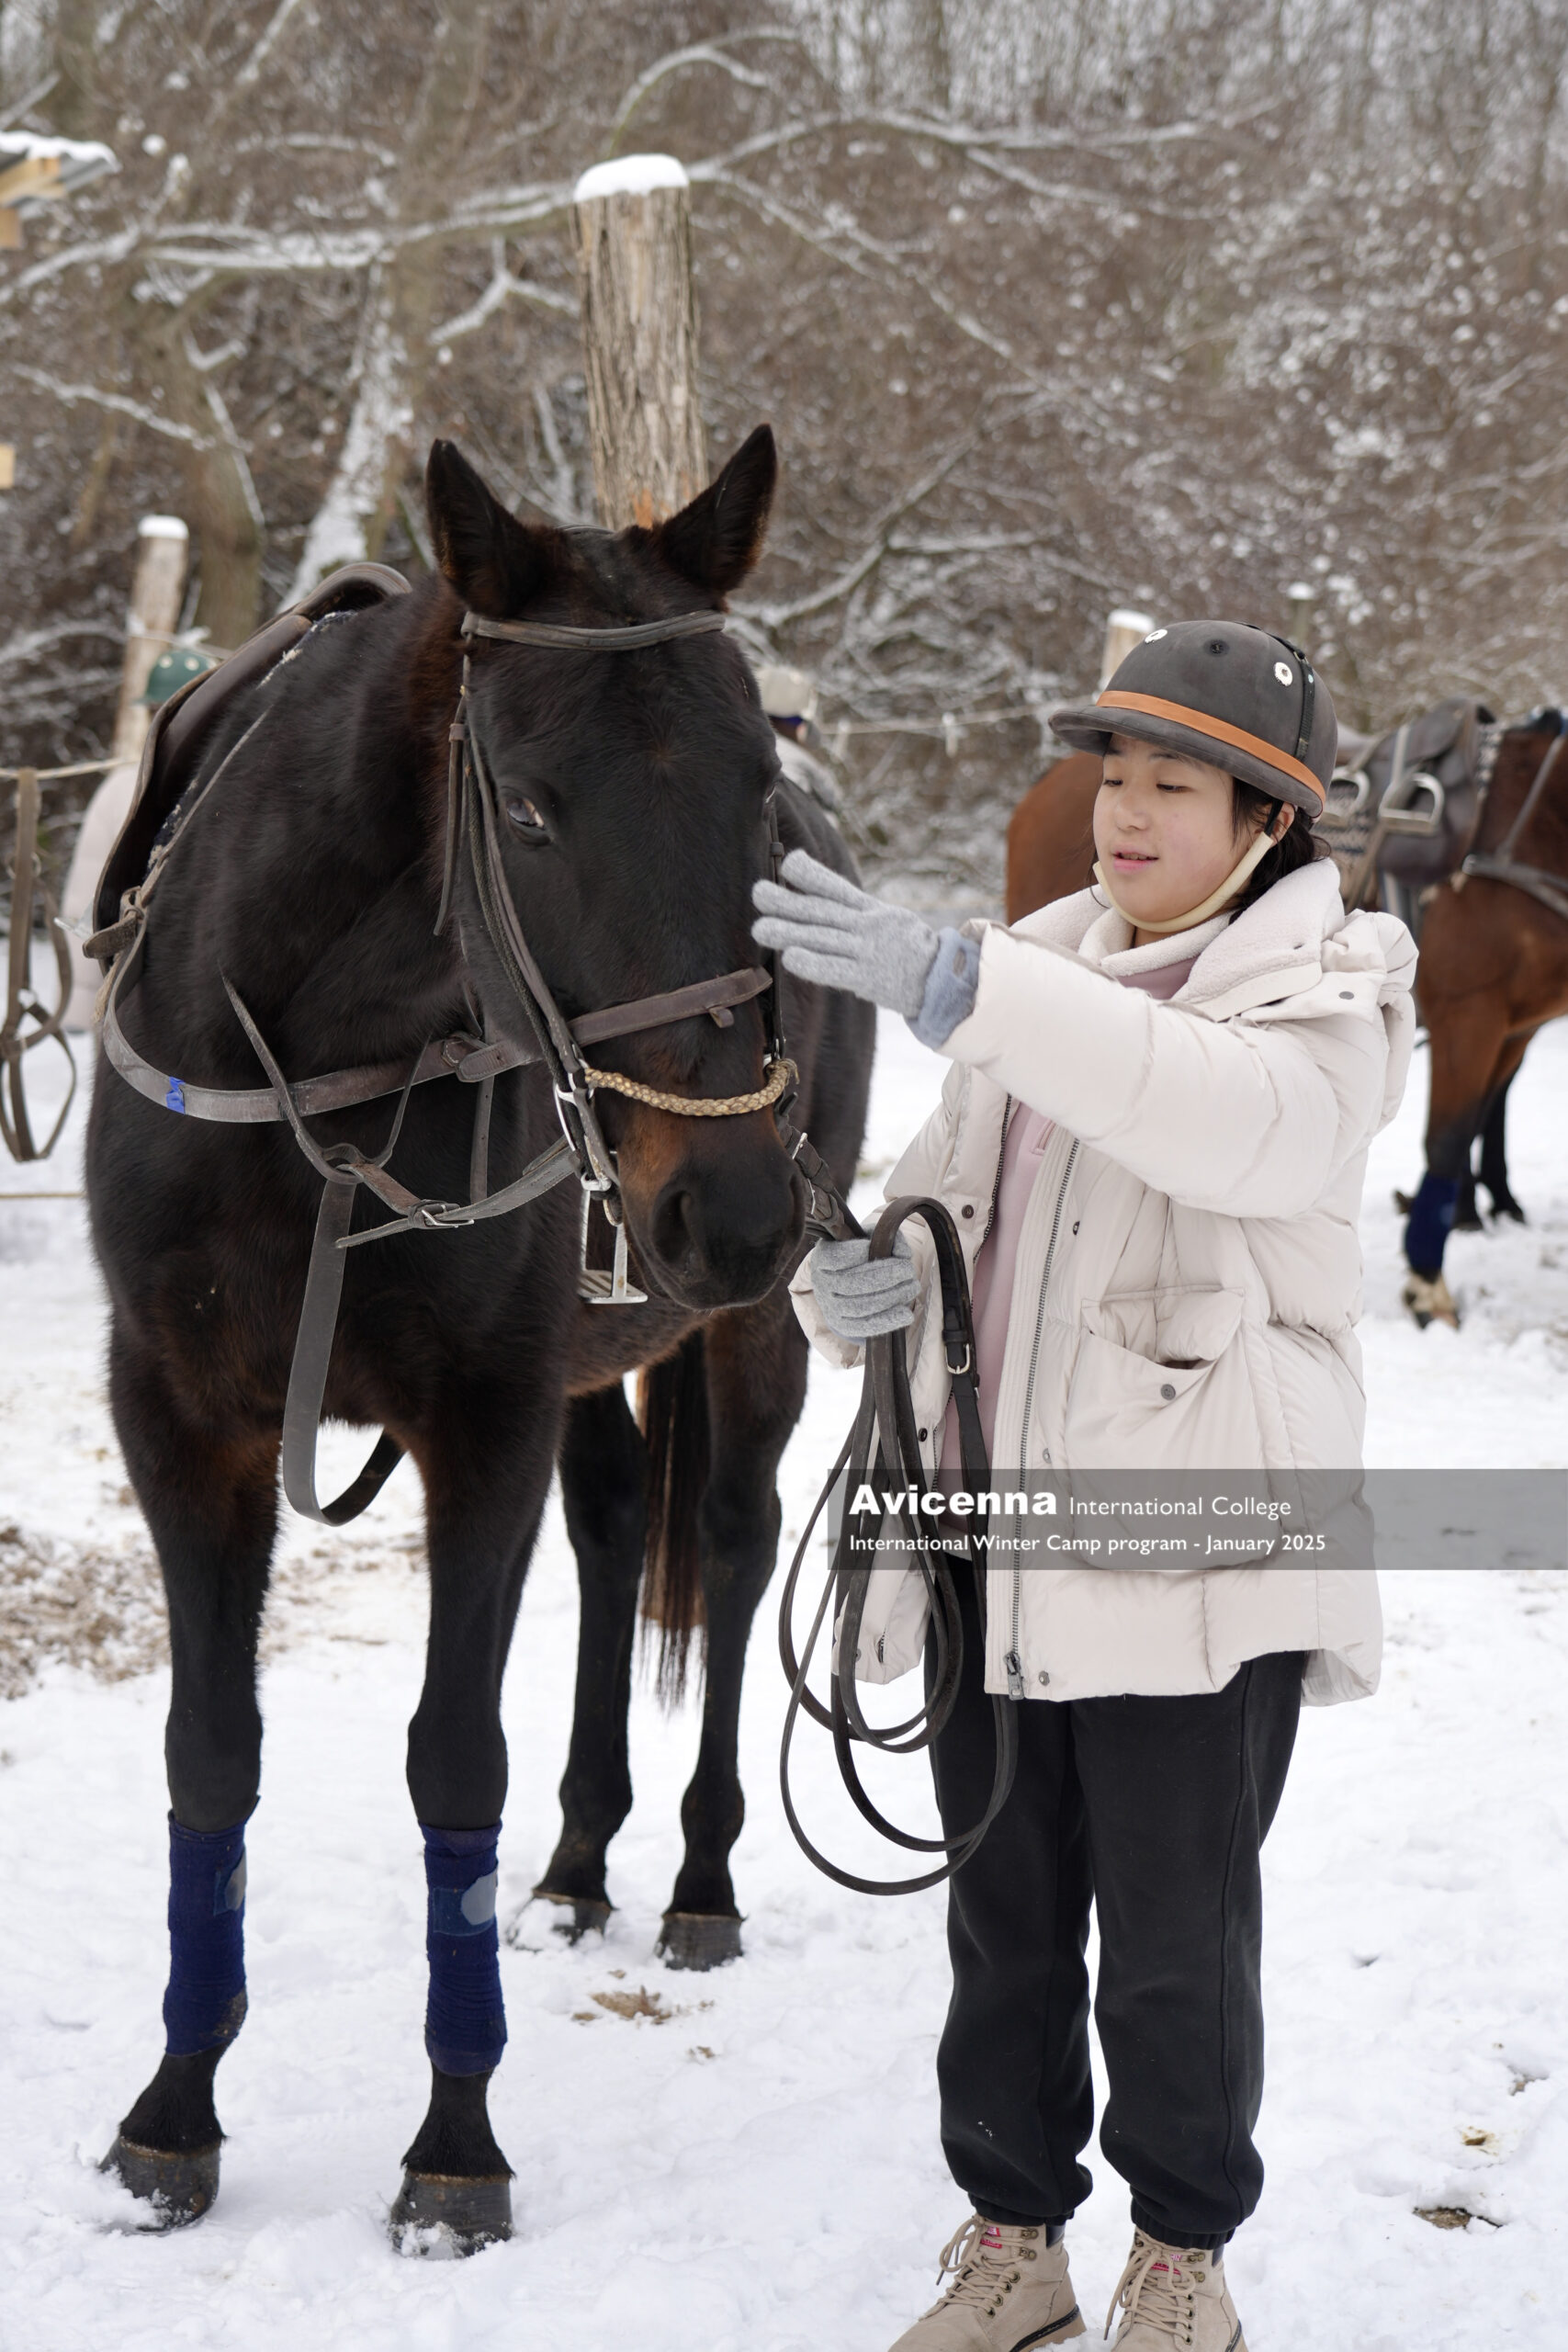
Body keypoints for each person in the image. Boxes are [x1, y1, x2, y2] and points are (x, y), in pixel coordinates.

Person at [752, 620, 1416, 2352]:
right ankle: (1014, 2237)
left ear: (1267, 822)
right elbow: (945, 1205)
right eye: (1115, 774)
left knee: (1179, 1945)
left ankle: (1183, 2262)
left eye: (1172, 786)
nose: (1122, 811)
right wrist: (860, 1288)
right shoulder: (1041, 972)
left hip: (1195, 1549)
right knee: (1007, 1925)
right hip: (990, 1531)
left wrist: (967, 986)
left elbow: (1212, 1118)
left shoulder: (1332, 1002)